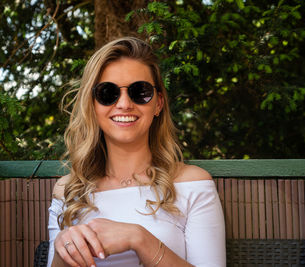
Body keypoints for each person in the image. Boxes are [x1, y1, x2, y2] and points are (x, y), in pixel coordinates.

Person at [47, 37, 225, 267]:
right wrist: (64, 252)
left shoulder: (192, 184)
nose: (124, 104)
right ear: (92, 105)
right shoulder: (68, 191)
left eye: (139, 92)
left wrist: (139, 239)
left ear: (158, 103)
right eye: (107, 92)